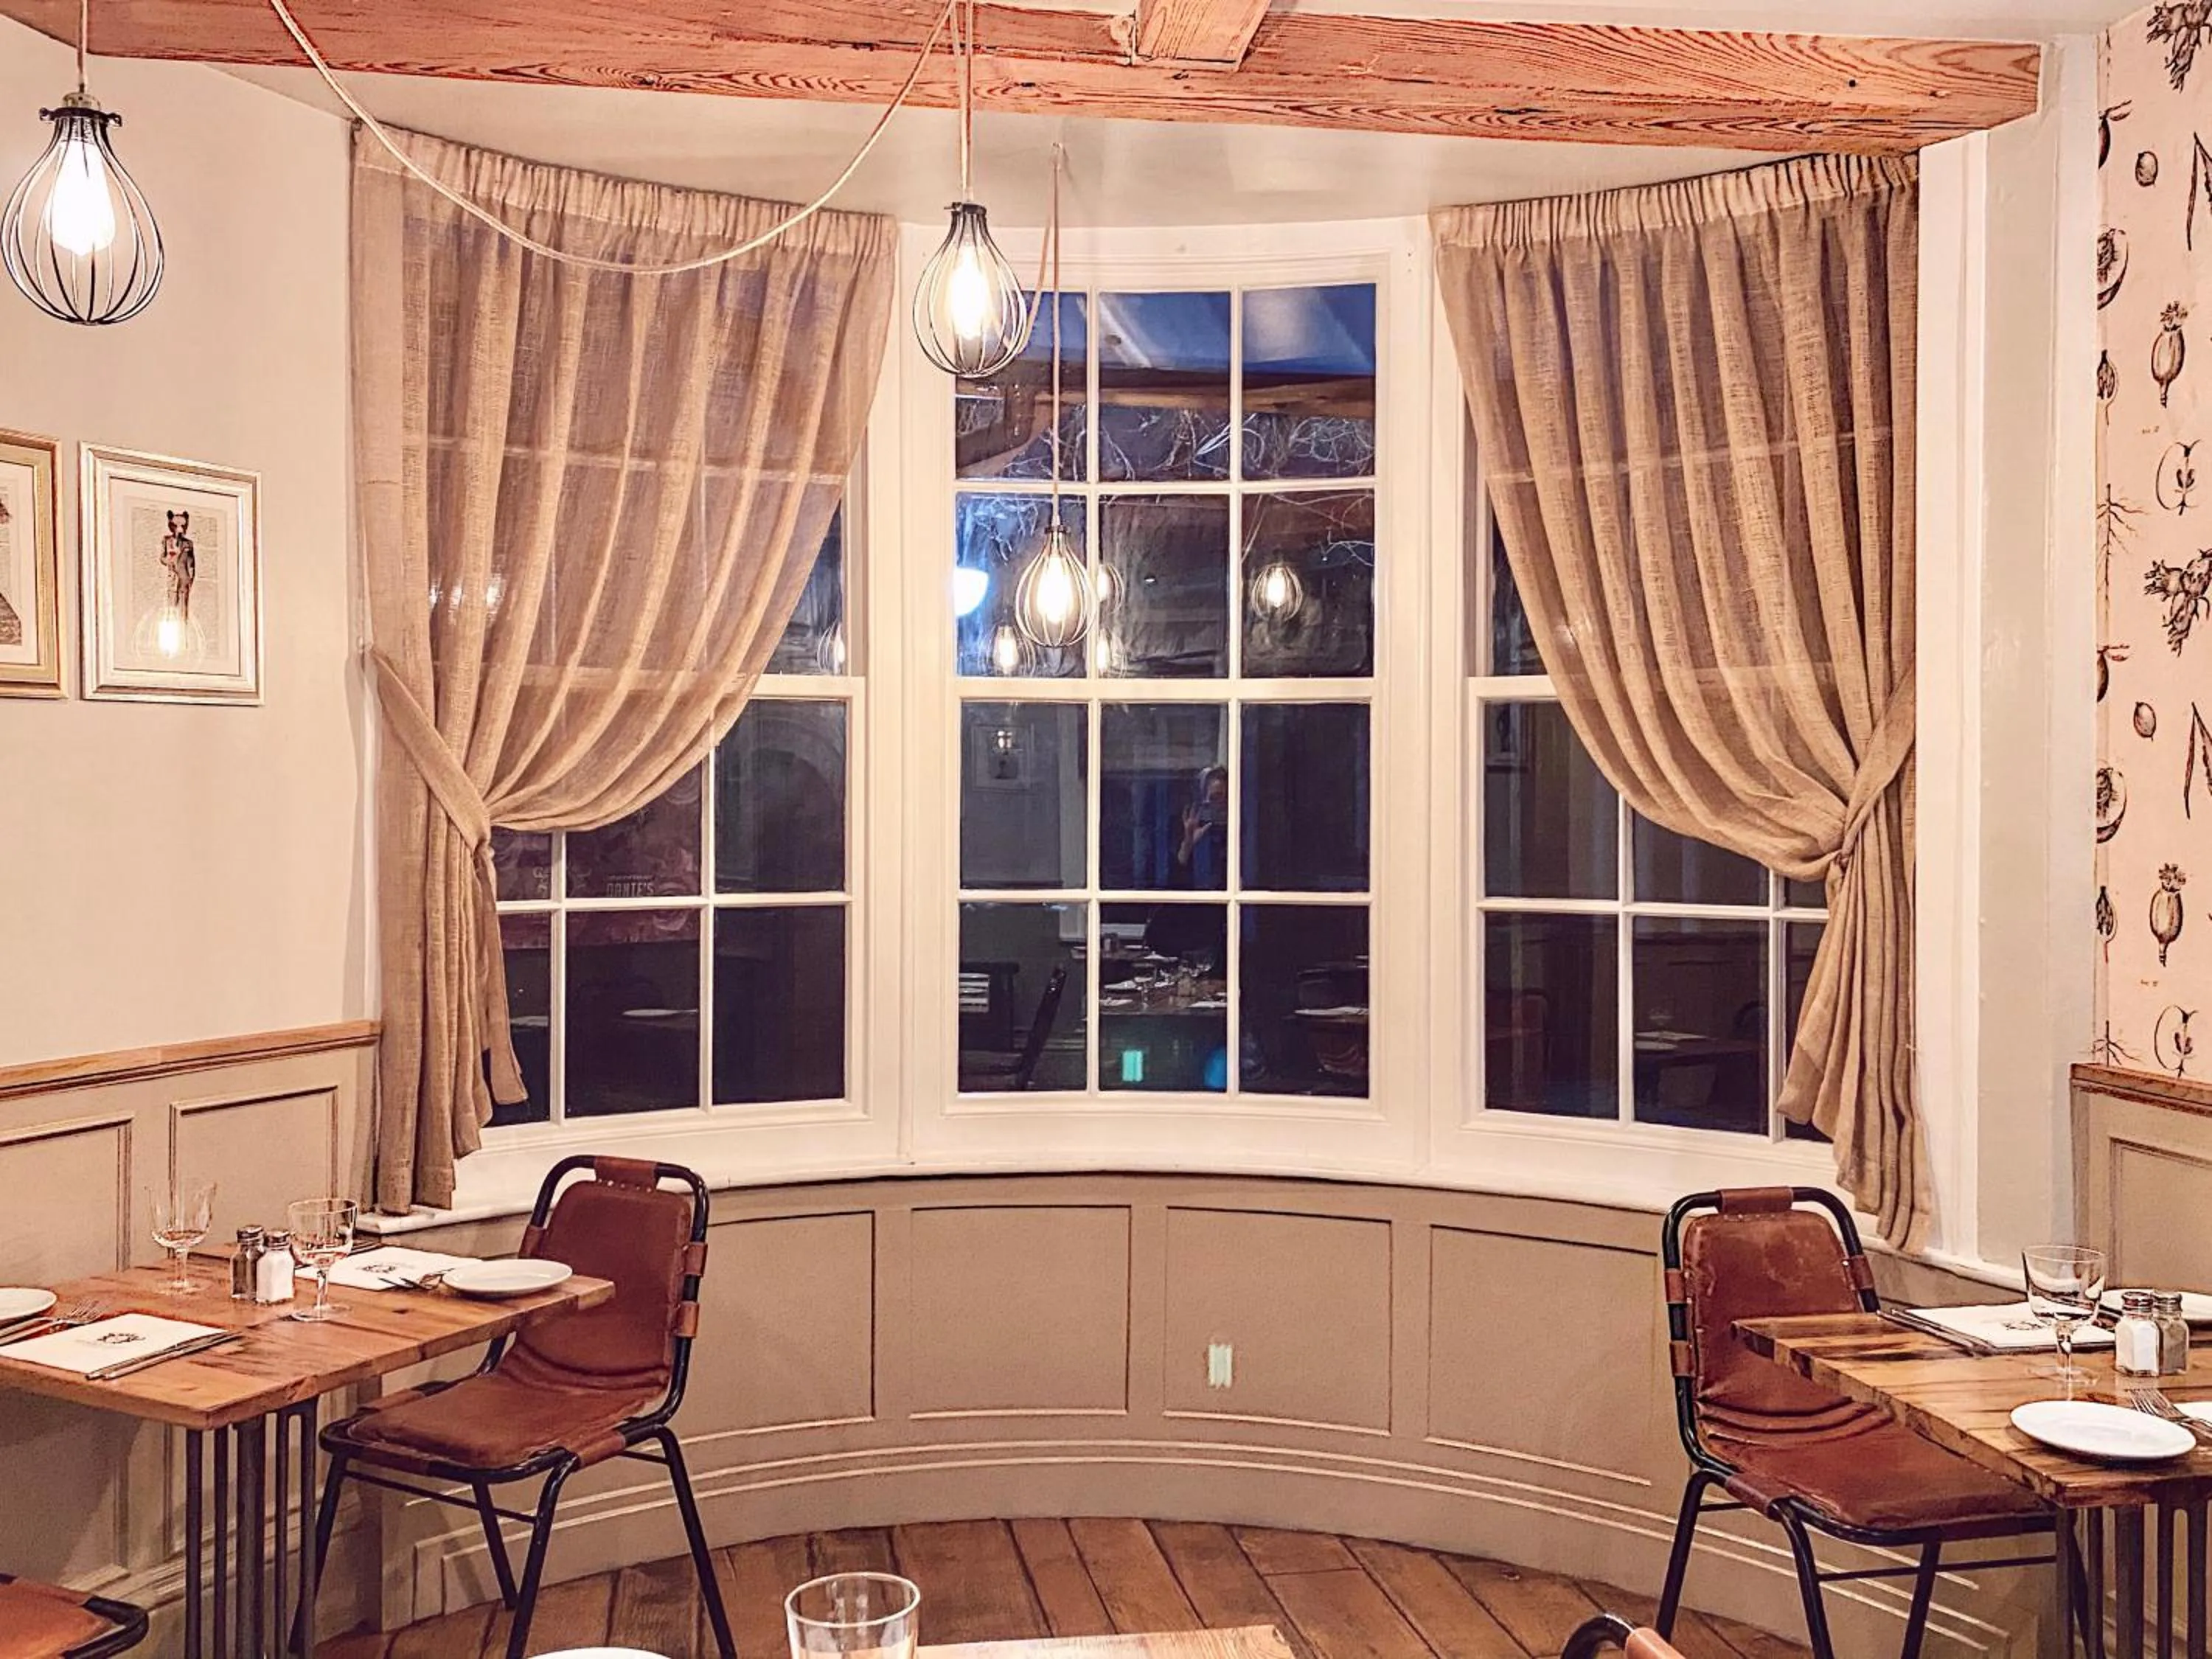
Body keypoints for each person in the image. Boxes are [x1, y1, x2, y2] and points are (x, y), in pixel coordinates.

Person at [1174, 765, 1228, 891]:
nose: (1222, 804)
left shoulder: (1241, 828)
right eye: (1217, 797)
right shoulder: (1192, 826)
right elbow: (1175, 874)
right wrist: (1189, 841)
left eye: (1227, 798)